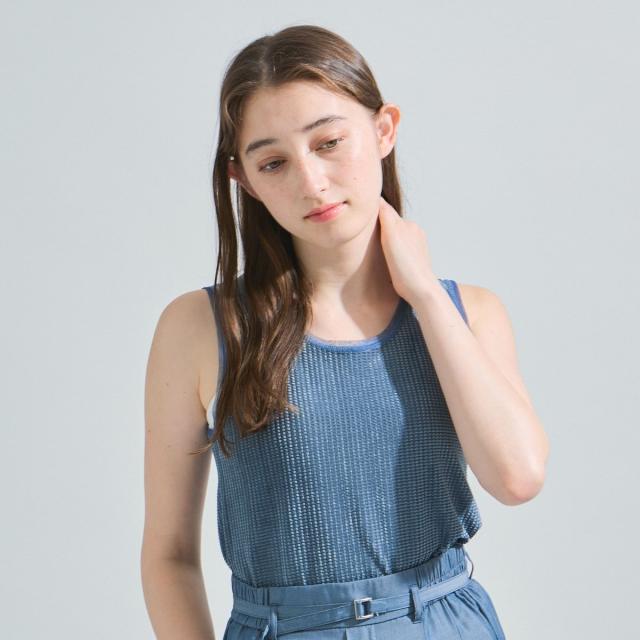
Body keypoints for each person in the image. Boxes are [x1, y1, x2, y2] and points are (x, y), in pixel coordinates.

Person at [141, 24, 549, 640]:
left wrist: (425, 294)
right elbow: (168, 554)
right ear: (244, 180)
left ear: (384, 130)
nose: (311, 182)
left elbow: (517, 477)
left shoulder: (469, 313)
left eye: (329, 142)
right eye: (274, 162)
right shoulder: (202, 328)